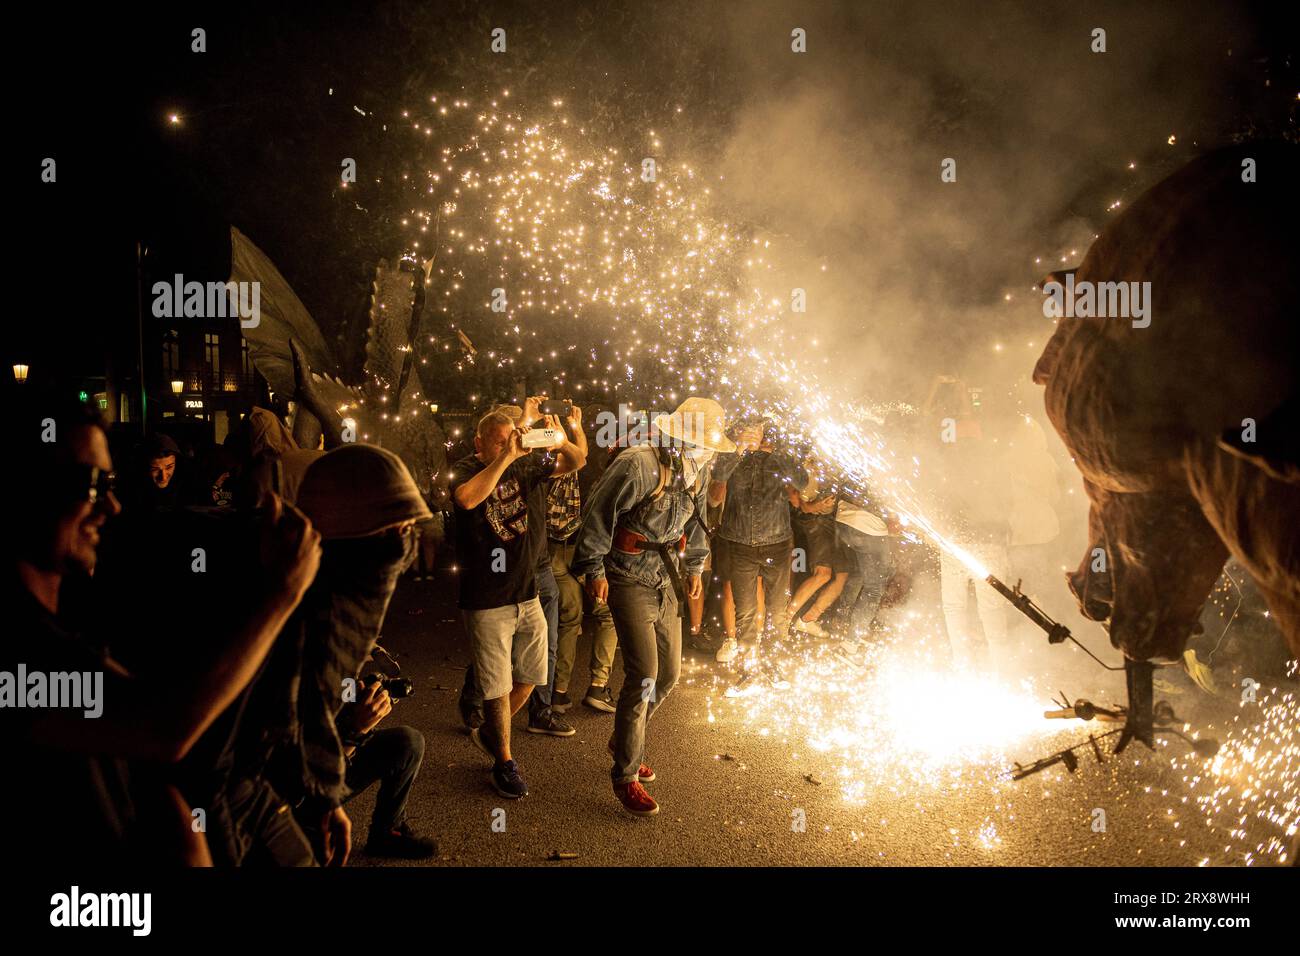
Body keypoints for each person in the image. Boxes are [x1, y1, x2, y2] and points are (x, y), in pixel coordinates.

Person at [2, 398, 321, 865]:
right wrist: (281, 595)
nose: (109, 505)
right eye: (89, 486)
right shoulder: (15, 646)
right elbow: (163, 728)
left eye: (109, 484)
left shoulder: (66, 614)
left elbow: (138, 756)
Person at [572, 397, 733, 816]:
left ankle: (626, 736)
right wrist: (593, 570)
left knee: (670, 675)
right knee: (644, 674)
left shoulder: (698, 470)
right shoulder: (638, 464)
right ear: (678, 436)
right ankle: (624, 775)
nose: (706, 452)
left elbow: (694, 522)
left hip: (665, 578)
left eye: (710, 445)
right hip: (626, 576)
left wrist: (695, 565)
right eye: (700, 443)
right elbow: (597, 515)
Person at [450, 400, 586, 798]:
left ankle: (490, 733)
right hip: (486, 599)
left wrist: (562, 440)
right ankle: (504, 761)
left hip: (527, 592)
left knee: (530, 676)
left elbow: (576, 462)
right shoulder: (466, 468)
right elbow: (467, 499)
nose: (507, 446)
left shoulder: (526, 467)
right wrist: (505, 459)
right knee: (495, 685)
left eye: (511, 440)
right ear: (480, 442)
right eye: (498, 442)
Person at [709, 420, 810, 665]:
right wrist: (739, 450)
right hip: (740, 544)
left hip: (777, 544)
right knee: (745, 614)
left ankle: (774, 665)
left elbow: (802, 481)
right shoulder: (729, 455)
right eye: (748, 430)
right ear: (738, 432)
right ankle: (749, 671)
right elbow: (715, 489)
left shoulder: (777, 457)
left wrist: (775, 451)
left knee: (777, 612)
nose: (754, 434)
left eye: (758, 430)